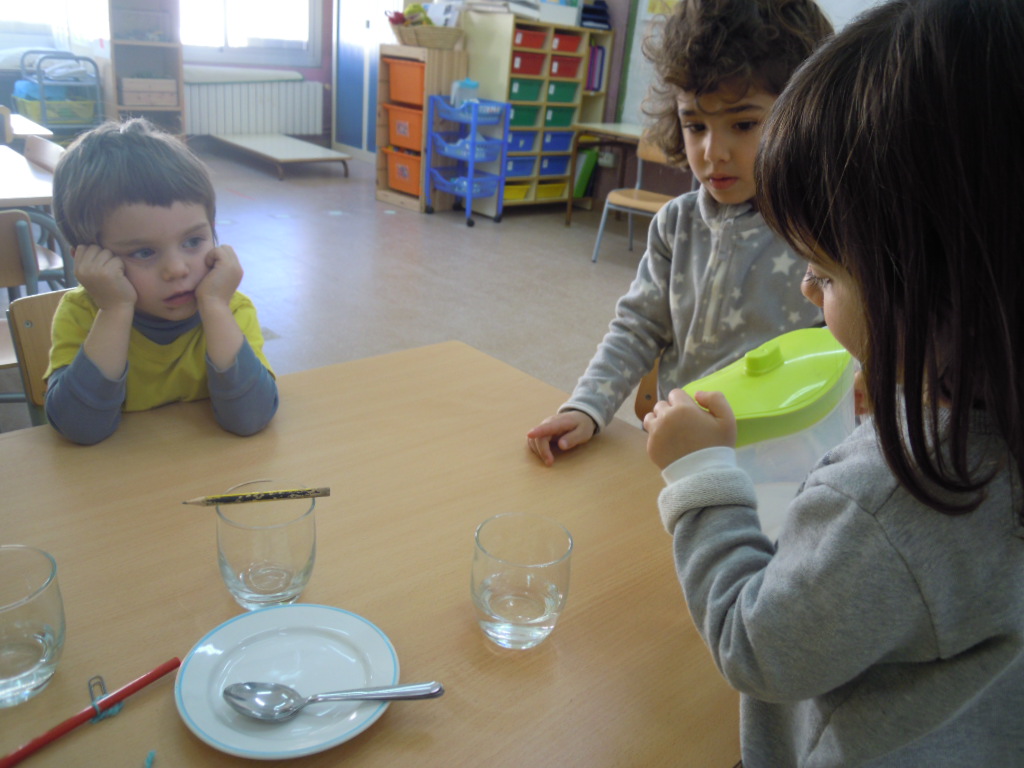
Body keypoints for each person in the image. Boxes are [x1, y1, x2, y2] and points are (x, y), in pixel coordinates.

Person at [644, 0, 1024, 764]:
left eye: (824, 271)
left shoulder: (893, 499)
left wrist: (698, 476)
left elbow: (757, 645)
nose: (808, 291)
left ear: (932, 283)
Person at [527, 0, 832, 466]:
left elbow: (850, 358)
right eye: (695, 125)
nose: (713, 152)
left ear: (803, 114)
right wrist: (586, 407)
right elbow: (637, 328)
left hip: (781, 465)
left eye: (743, 124)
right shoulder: (676, 223)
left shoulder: (824, 233)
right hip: (681, 456)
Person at [45, 118, 278, 444]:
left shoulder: (230, 309)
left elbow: (252, 418)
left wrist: (214, 307)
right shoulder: (82, 314)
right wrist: (114, 310)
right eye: (143, 252)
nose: (177, 269)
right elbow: (80, 429)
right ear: (89, 262)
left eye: (193, 241)